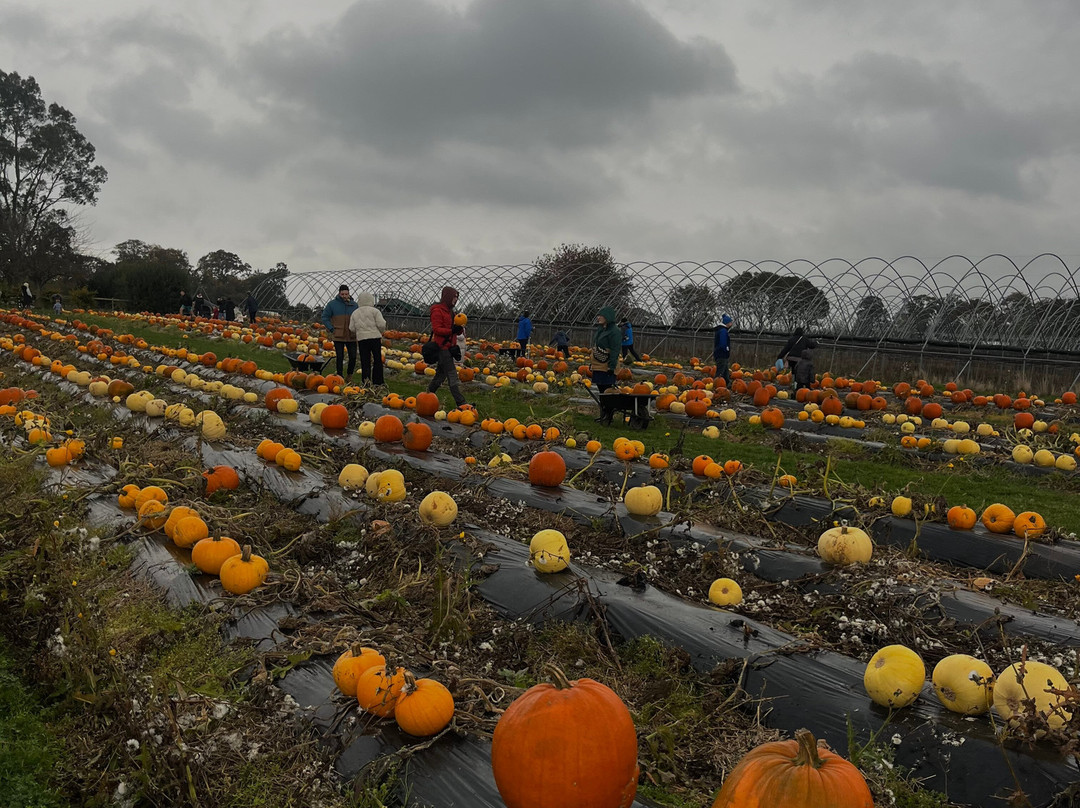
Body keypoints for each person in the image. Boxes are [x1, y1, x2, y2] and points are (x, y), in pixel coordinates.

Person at [427, 286, 468, 408]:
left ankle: (427, 395)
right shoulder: (437, 310)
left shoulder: (452, 313)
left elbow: (456, 331)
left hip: (450, 348)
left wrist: (459, 329)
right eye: (454, 297)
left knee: (440, 376)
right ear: (448, 296)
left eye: (457, 297)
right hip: (442, 348)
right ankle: (461, 403)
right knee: (452, 375)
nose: (456, 300)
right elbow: (437, 329)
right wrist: (451, 330)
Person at [591, 306, 623, 425]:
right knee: (601, 388)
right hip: (599, 364)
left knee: (607, 390)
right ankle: (604, 413)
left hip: (608, 365)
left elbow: (615, 350)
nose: (598, 317)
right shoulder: (601, 329)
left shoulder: (615, 332)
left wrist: (611, 366)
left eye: (601, 316)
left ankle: (608, 414)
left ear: (608, 317)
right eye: (598, 315)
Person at [349, 292, 387, 386]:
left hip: (362, 339)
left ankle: (366, 382)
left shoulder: (355, 313)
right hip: (375, 338)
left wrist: (360, 331)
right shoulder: (375, 311)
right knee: (377, 360)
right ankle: (378, 382)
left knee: (365, 361)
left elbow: (351, 328)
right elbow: (381, 324)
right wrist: (380, 331)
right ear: (371, 300)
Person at [321, 284, 359, 378]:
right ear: (339, 293)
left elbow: (358, 318)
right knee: (340, 357)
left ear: (349, 294)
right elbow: (325, 317)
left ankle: (349, 375)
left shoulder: (354, 305)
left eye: (346, 294)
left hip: (351, 335)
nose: (345, 296)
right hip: (338, 334)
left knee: (353, 357)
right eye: (343, 294)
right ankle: (339, 376)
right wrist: (331, 328)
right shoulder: (332, 304)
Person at [713, 314, 733, 385]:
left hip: (721, 353)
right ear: (727, 323)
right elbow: (722, 343)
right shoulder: (723, 331)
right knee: (720, 371)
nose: (732, 324)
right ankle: (717, 385)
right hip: (722, 354)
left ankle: (727, 383)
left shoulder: (721, 330)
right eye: (731, 322)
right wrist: (726, 349)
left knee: (725, 370)